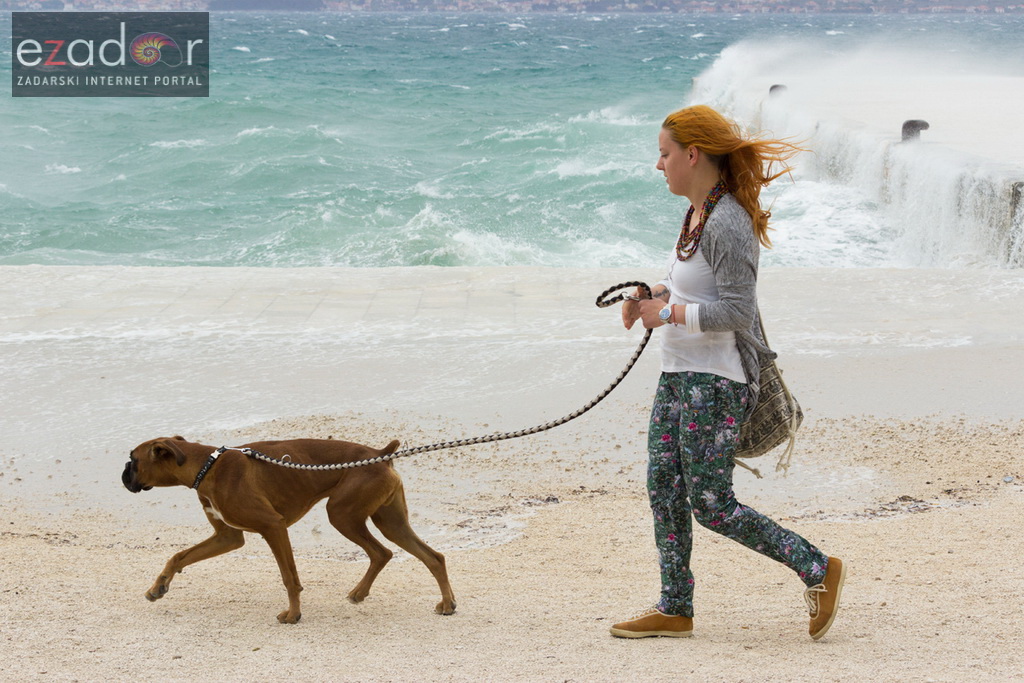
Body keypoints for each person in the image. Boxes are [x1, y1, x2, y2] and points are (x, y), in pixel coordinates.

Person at [614, 104, 845, 641]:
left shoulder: (729, 222)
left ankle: (818, 567)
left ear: (692, 155)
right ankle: (675, 608)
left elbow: (737, 311)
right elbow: (700, 292)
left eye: (665, 154)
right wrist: (653, 296)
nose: (658, 165)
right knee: (663, 489)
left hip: (716, 382)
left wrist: (667, 313)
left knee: (712, 505)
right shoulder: (697, 215)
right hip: (679, 373)